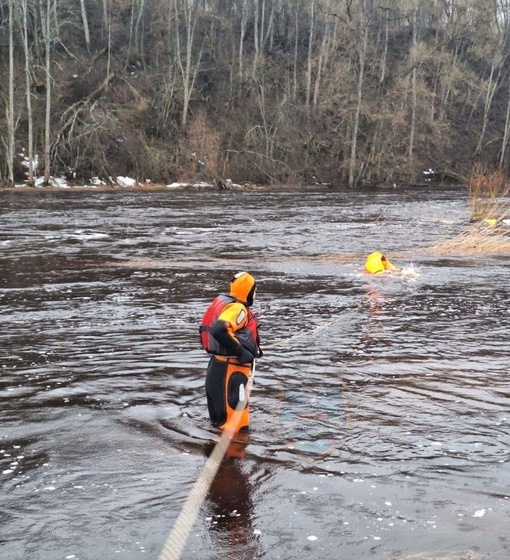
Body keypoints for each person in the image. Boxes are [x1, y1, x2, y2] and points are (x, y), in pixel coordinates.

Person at [199, 272, 261, 432]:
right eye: (254, 290)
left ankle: (213, 453)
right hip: (231, 373)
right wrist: (241, 352)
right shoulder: (238, 308)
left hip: (216, 369)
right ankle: (234, 456)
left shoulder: (226, 303)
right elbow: (219, 329)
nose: (255, 294)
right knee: (237, 431)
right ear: (247, 291)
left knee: (218, 426)